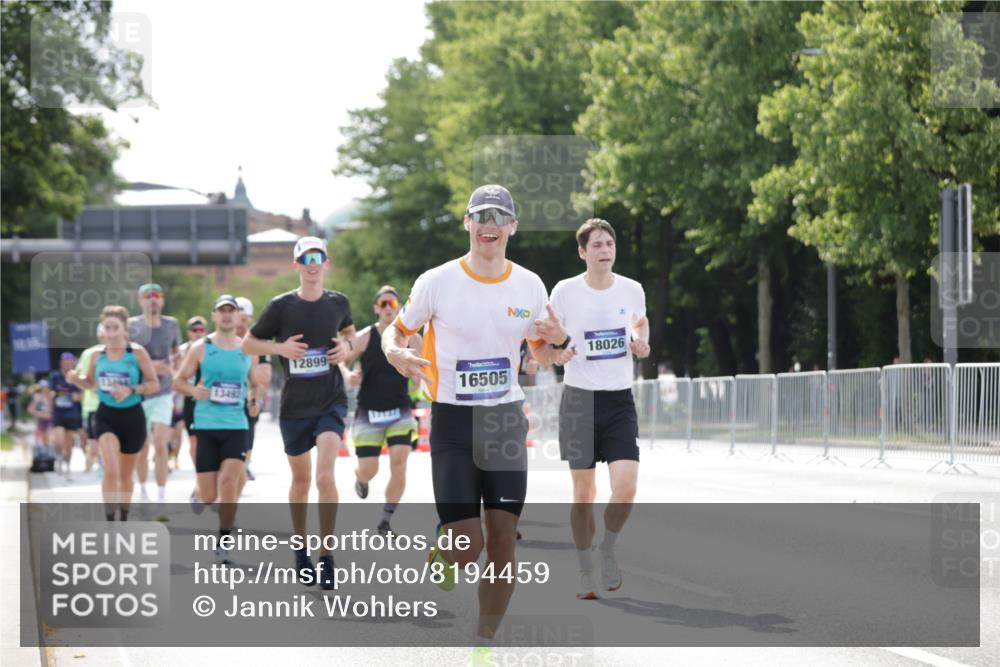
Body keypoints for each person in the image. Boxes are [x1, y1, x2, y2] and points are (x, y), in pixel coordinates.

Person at [383, 184, 570, 654]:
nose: (489, 225)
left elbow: (540, 355)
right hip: (452, 421)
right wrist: (394, 352)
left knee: (503, 539)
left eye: (499, 216)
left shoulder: (529, 284)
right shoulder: (437, 281)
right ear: (467, 223)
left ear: (513, 226)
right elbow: (397, 330)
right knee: (467, 546)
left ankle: (483, 645)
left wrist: (560, 341)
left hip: (504, 419)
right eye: (480, 216)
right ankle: (445, 550)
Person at [241, 236, 355, 590]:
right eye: (305, 258)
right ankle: (300, 547)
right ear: (296, 265)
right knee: (302, 481)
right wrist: (281, 348)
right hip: (295, 406)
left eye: (318, 256)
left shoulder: (338, 302)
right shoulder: (281, 306)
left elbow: (350, 333)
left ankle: (328, 556)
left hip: (331, 400)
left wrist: (345, 350)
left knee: (325, 477)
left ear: (326, 262)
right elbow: (248, 343)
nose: (312, 263)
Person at [548, 218, 649, 600]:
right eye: (597, 245)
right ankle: (584, 567)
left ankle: (607, 547)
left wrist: (642, 342)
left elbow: (641, 323)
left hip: (619, 399)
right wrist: (559, 352)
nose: (605, 250)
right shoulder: (565, 292)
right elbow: (547, 339)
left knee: (626, 487)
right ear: (583, 252)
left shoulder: (631, 289)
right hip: (579, 400)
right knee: (583, 495)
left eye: (610, 243)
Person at [174, 295, 256, 564]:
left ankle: (224, 541)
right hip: (207, 425)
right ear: (214, 315)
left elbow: (255, 383)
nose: (227, 315)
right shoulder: (201, 347)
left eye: (231, 311)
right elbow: (179, 381)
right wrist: (193, 390)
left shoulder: (247, 348)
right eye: (222, 311)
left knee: (230, 481)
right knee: (210, 495)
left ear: (237, 316)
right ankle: (200, 492)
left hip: (236, 425)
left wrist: (255, 399)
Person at [341, 285, 421, 538]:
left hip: (400, 409)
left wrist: (419, 377)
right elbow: (343, 359)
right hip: (369, 411)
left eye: (393, 303)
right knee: (370, 469)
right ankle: (360, 478)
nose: (389, 308)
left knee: (399, 463)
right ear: (376, 308)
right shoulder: (366, 336)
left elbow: (424, 365)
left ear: (399, 307)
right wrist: (348, 374)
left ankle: (386, 520)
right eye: (384, 304)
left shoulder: (413, 338)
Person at [67, 305, 159, 521]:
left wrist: (131, 389)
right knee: (111, 470)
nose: (110, 333)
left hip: (133, 417)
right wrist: (75, 380)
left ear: (124, 329)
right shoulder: (97, 355)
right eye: (107, 327)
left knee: (126, 475)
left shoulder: (136, 353)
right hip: (106, 416)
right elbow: (90, 383)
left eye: (115, 327)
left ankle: (123, 518)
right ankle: (109, 522)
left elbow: (154, 384)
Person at [128, 283, 181, 517]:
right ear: (139, 300)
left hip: (163, 391)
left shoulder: (171, 324)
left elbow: (177, 354)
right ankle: (142, 489)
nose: (152, 300)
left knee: (161, 443)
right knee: (141, 447)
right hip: (139, 392)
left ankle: (161, 494)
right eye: (147, 296)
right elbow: (126, 356)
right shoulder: (131, 326)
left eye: (156, 296)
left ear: (162, 300)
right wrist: (151, 365)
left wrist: (176, 372)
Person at [235, 296, 272, 482]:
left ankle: (244, 466)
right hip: (223, 400)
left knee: (248, 434)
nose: (240, 321)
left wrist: (256, 396)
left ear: (249, 318)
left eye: (244, 317)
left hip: (248, 395)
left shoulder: (258, 342)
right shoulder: (218, 339)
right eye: (237, 316)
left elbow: (265, 374)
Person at [47, 353, 86, 478]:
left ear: (73, 363)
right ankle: (58, 457)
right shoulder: (55, 376)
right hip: (58, 413)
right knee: (59, 439)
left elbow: (82, 394)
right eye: (65, 361)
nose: (67, 363)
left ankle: (67, 466)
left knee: (69, 443)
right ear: (61, 363)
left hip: (72, 414)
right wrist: (51, 399)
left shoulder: (77, 376)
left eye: (70, 361)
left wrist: (77, 397)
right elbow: (50, 392)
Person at [76, 326, 106, 475]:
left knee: (108, 439)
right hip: (92, 406)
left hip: (111, 404)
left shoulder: (121, 352)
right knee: (94, 444)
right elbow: (81, 376)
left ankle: (104, 465)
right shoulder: (89, 354)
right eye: (103, 334)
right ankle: (97, 461)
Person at [27, 381, 52, 449]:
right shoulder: (37, 398)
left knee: (48, 437)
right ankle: (44, 452)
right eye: (41, 389)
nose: (43, 391)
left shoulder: (50, 397)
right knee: (40, 438)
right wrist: (38, 413)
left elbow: (50, 413)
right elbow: (30, 409)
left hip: (50, 421)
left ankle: (49, 452)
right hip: (40, 421)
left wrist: (41, 413)